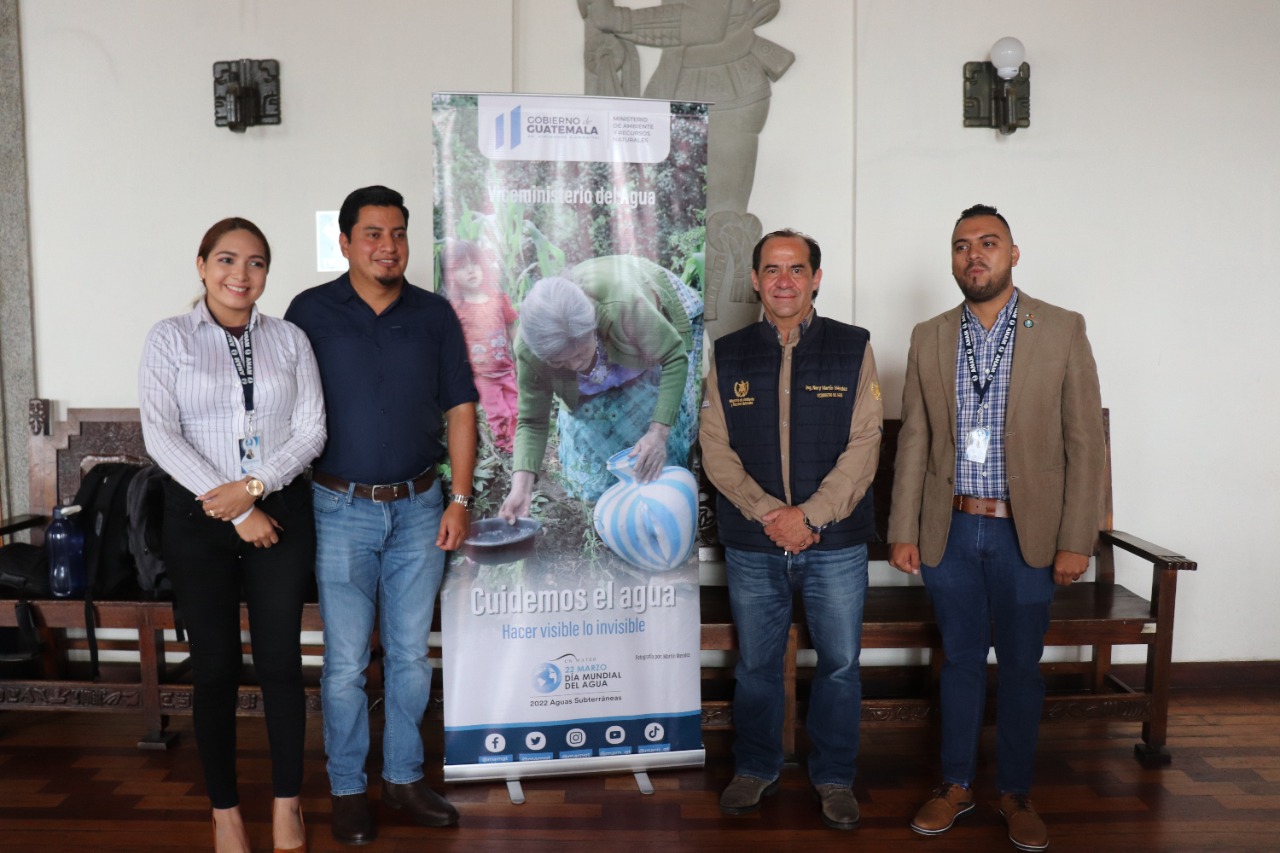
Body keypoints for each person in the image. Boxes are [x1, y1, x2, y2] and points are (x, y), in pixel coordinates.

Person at [888, 204, 1105, 852]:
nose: (972, 255)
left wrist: (1075, 539)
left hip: (1027, 537)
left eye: (987, 243)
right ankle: (955, 784)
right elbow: (917, 441)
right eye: (960, 246)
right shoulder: (928, 335)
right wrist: (903, 527)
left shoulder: (1062, 329)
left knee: (1018, 668)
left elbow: (1085, 444)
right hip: (950, 531)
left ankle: (1015, 792)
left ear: (1014, 253)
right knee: (958, 662)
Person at [284, 186, 478, 846]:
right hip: (339, 508)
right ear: (344, 242)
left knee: (408, 657)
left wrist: (459, 497)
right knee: (343, 663)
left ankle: (401, 777)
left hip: (422, 508)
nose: (387, 245)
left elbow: (460, 408)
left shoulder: (433, 315)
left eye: (397, 233)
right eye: (372, 233)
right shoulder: (309, 312)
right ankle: (346, 788)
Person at [139, 217, 325, 853]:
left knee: (279, 664)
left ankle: (286, 804)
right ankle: (224, 812)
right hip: (197, 523)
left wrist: (254, 491)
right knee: (214, 669)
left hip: (281, 517)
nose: (239, 275)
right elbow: (161, 435)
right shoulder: (169, 339)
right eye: (226, 260)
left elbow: (312, 430)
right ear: (200, 265)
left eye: (255, 264)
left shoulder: (291, 339)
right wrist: (233, 506)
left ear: (267, 274)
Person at [699, 229, 882, 830]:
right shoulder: (727, 353)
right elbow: (715, 447)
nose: (784, 280)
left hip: (835, 543)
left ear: (815, 278)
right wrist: (768, 513)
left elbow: (865, 442)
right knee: (755, 665)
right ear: (754, 280)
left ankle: (834, 778)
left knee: (838, 665)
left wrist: (811, 515)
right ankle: (755, 768)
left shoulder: (853, 348)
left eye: (796, 269)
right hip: (754, 545)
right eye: (772, 269)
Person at [498, 254, 702, 521]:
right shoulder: (529, 348)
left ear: (593, 327)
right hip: (614, 335)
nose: (575, 366)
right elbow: (533, 421)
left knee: (663, 419)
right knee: (591, 444)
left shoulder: (624, 306)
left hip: (649, 317)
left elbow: (674, 358)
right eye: (561, 361)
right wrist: (521, 489)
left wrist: (658, 433)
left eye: (581, 354)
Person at [440, 239, 519, 452]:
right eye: (461, 267)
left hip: (506, 369)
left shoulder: (498, 299)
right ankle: (505, 447)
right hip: (481, 375)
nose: (470, 271)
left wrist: (521, 355)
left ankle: (518, 443)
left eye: (473, 264)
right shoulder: (456, 307)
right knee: (497, 412)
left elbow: (512, 327)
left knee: (516, 407)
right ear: (451, 275)